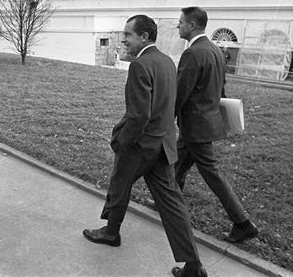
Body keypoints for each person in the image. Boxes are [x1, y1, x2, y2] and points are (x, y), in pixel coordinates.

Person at [83, 15, 207, 277]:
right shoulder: (166, 61)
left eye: (128, 35)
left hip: (140, 144)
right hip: (163, 143)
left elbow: (138, 116)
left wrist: (123, 142)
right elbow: (167, 105)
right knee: (172, 204)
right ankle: (193, 265)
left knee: (119, 183)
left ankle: (111, 233)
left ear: (144, 37)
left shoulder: (140, 66)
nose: (123, 39)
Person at [174, 6, 259, 245]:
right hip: (204, 123)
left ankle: (243, 223)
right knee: (175, 167)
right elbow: (220, 89)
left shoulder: (192, 54)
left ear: (192, 25)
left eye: (180, 22)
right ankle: (168, 203)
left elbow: (181, 92)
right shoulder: (215, 50)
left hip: (195, 127)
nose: (178, 26)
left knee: (211, 174)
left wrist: (165, 118)